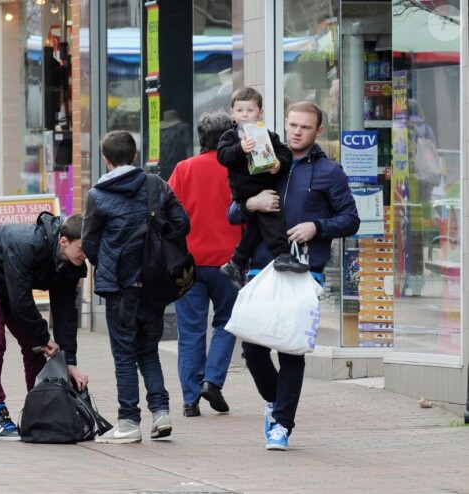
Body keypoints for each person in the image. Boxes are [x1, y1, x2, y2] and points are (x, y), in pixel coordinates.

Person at [229, 101, 360, 451]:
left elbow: (351, 219)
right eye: (292, 125)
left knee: (290, 350)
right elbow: (233, 210)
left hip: (305, 272)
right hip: (261, 266)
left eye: (304, 127)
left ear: (318, 131)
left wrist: (316, 227)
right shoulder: (268, 158)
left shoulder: (330, 171)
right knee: (253, 348)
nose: (296, 132)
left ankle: (282, 425)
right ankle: (275, 403)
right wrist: (250, 205)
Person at [81, 130, 190, 444]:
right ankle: (161, 412)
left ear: (106, 158)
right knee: (149, 351)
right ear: (134, 155)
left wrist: (109, 263)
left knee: (125, 355)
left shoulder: (98, 195)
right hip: (155, 283)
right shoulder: (157, 185)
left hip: (120, 286)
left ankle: (128, 421)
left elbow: (89, 243)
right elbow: (182, 225)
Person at [0, 212, 89, 441]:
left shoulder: (73, 264)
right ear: (64, 241)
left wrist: (69, 361)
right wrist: (44, 336)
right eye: (82, 248)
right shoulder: (27, 245)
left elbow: (66, 314)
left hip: (12, 285)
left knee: (34, 346)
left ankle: (41, 409)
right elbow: (20, 302)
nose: (86, 254)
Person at [168, 110, 241, 417]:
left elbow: (168, 211)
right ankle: (212, 380)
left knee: (190, 331)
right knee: (228, 322)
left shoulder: (184, 169)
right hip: (230, 260)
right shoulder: (238, 170)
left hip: (189, 262)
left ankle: (189, 397)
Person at [217, 86, 306, 291]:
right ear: (232, 113)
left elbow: (284, 152)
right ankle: (282, 254)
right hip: (246, 189)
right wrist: (240, 148)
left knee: (259, 227)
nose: (245, 115)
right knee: (272, 217)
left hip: (266, 184)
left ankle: (236, 262)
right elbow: (222, 156)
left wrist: (278, 165)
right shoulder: (229, 136)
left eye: (250, 110)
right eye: (240, 111)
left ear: (260, 112)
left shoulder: (267, 134)